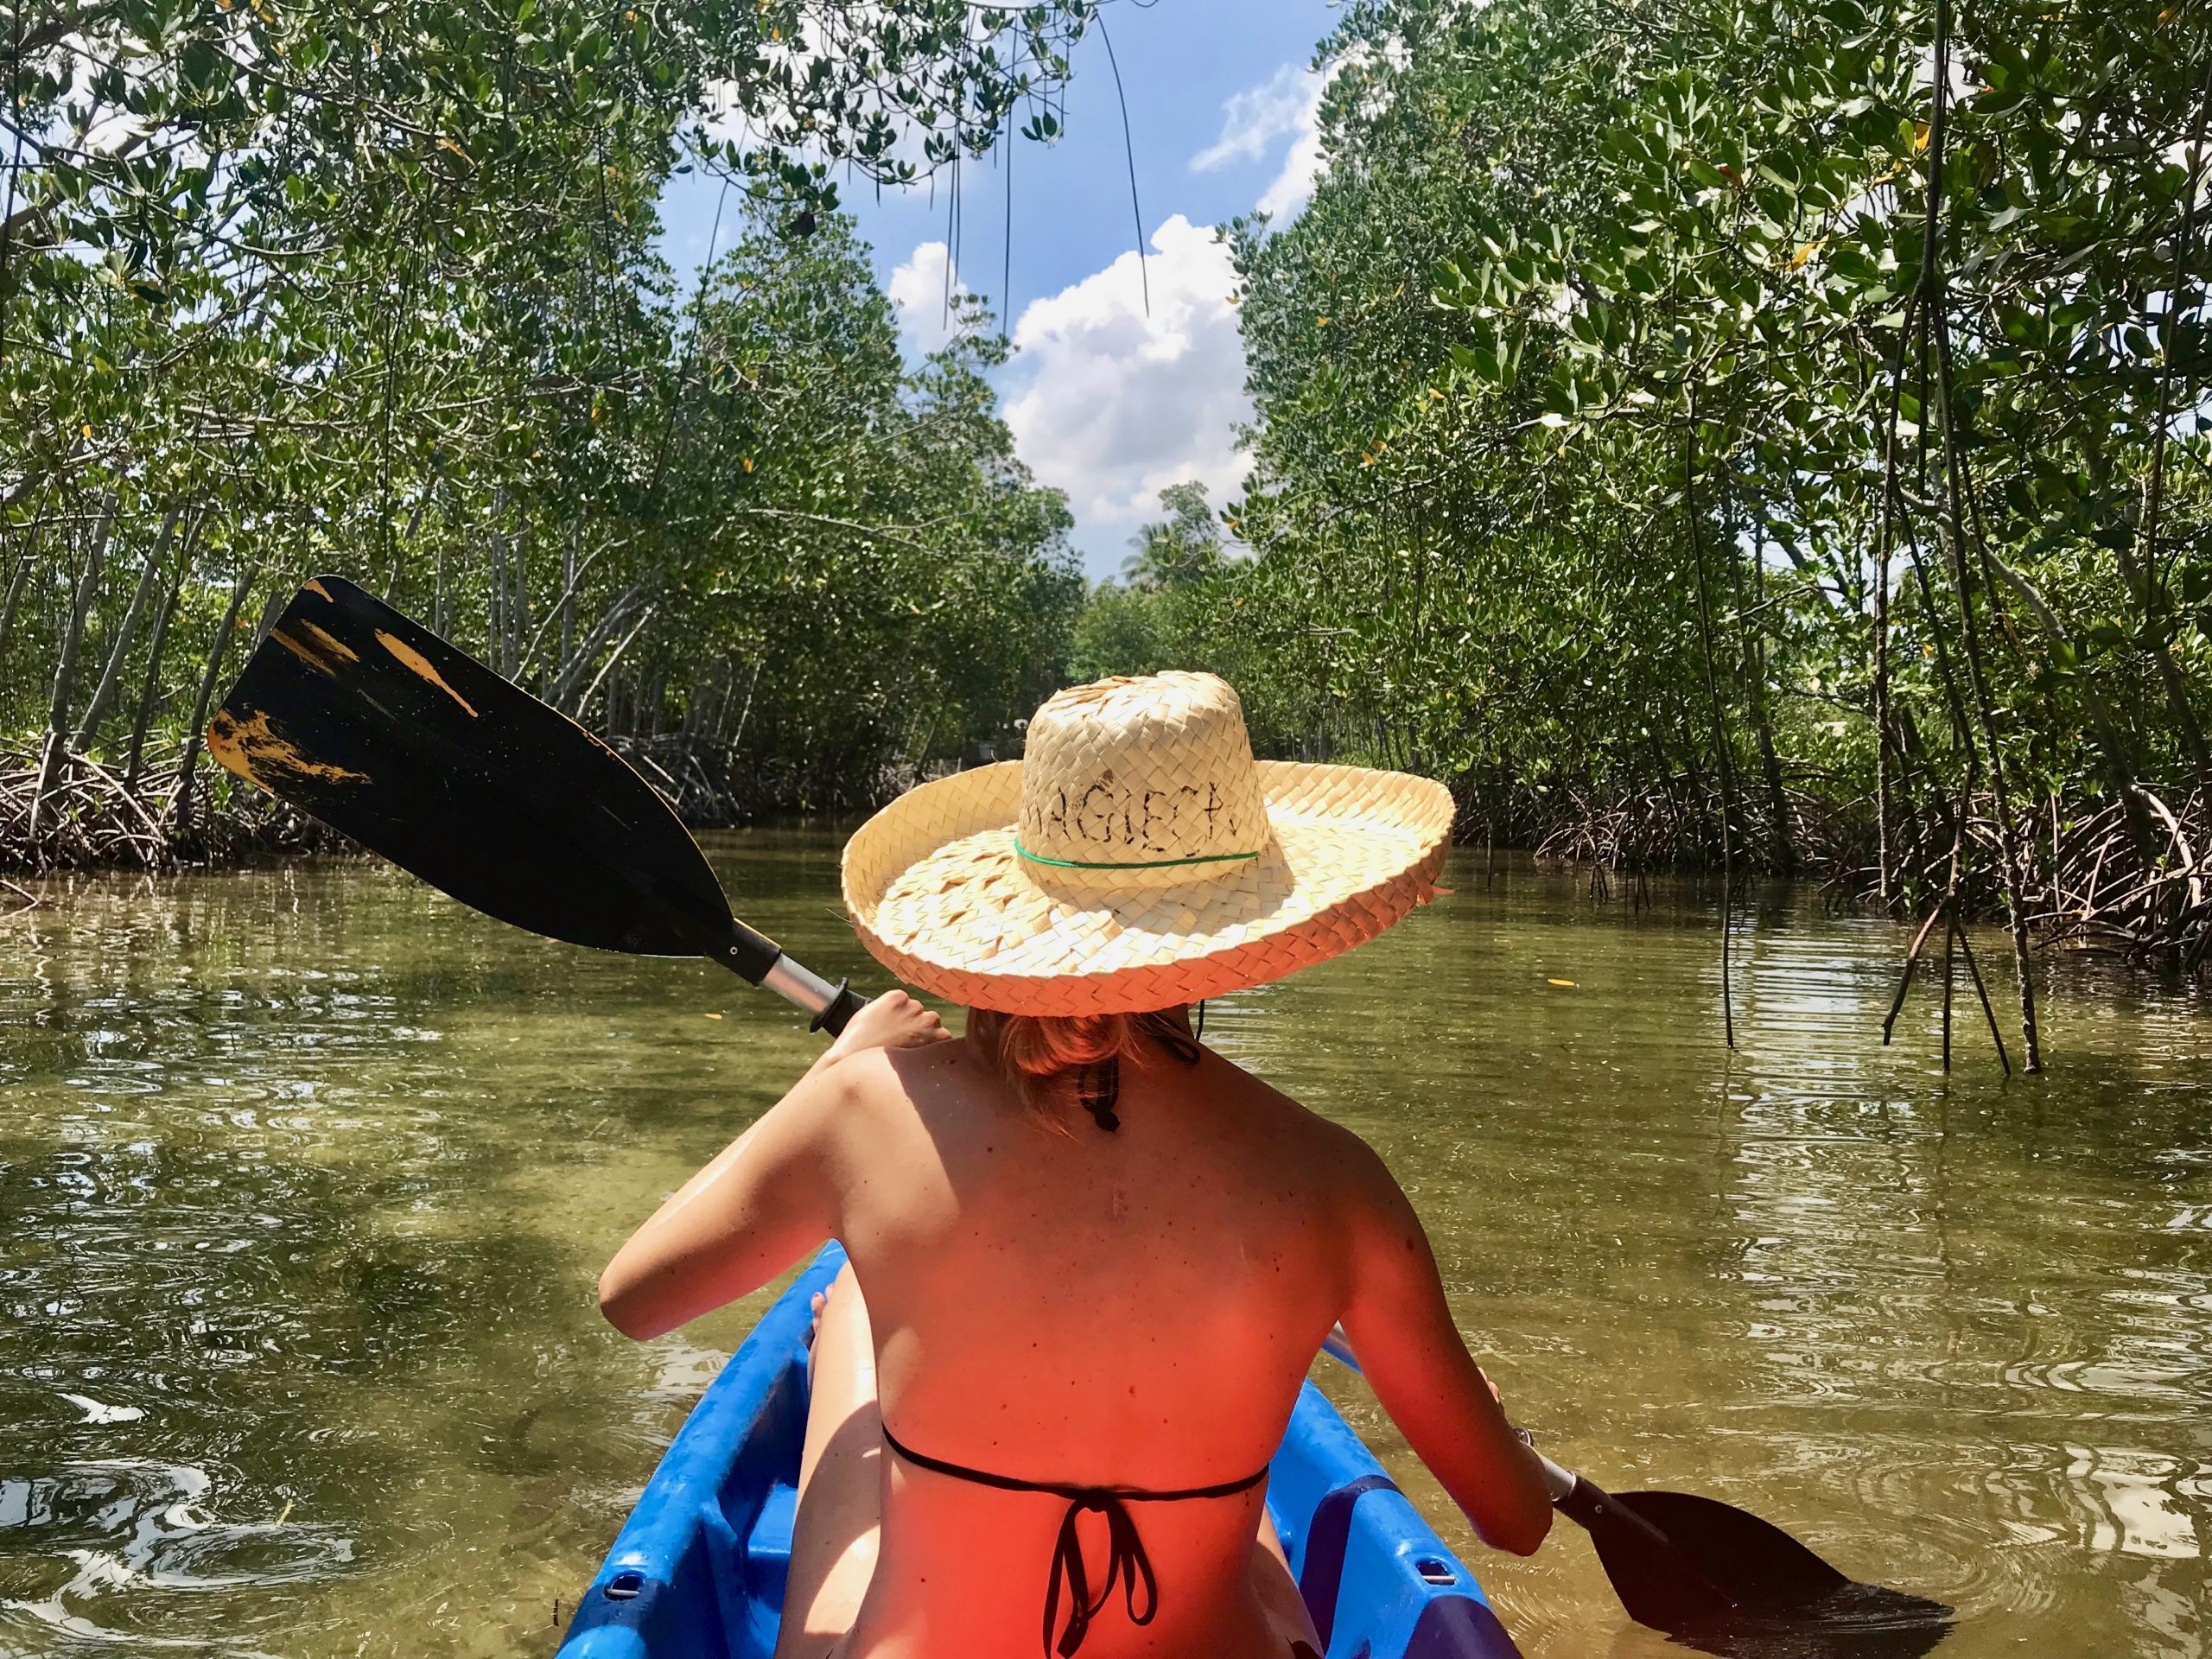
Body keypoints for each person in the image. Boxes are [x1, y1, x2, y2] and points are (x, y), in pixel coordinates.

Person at [598, 671, 1553, 1659]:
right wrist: (1497, 1431)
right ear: (1249, 936)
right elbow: (1516, 1521)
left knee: (847, 1312)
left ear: (1000, 910)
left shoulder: (866, 1109)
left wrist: (836, 1073)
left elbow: (633, 1297)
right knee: (1243, 1498)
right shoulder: (1336, 1179)